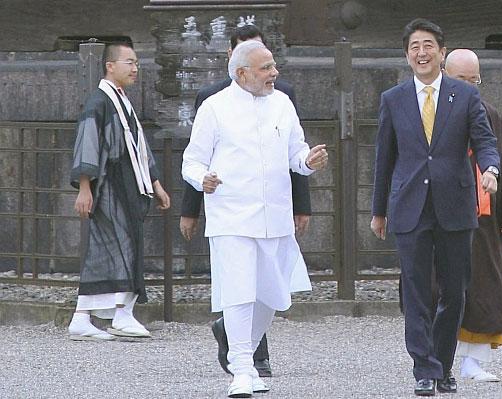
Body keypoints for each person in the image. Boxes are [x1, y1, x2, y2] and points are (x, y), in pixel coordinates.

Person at [182, 40, 328, 398]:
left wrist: (307, 162)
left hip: (274, 216)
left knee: (273, 296)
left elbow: (295, 152)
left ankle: (239, 351)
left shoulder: (282, 104)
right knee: (239, 292)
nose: (274, 73)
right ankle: (242, 370)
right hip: (232, 215)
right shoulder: (215, 108)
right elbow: (192, 161)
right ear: (242, 73)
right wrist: (202, 179)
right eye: (266, 68)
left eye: (274, 65)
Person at [371, 19, 500, 396]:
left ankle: (443, 366)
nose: (422, 53)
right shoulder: (393, 99)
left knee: (454, 291)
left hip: (456, 205)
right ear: (407, 54)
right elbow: (384, 158)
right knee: (414, 290)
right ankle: (424, 369)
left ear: (441, 53)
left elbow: (486, 141)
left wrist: (489, 169)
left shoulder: (465, 95)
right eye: (414, 46)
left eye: (428, 46)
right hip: (409, 206)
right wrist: (379, 211)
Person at [68, 42, 171, 341]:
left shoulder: (121, 101)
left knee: (111, 248)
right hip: (110, 184)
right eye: (129, 62)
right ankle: (122, 315)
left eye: (137, 62)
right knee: (122, 246)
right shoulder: (98, 102)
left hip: (128, 182)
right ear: (109, 66)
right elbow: (87, 143)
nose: (135, 68)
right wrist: (84, 188)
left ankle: (81, 317)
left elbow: (138, 148)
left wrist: (155, 183)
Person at [444, 49, 502, 382]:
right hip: (443, 216)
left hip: (483, 218)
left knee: (486, 289)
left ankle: (473, 362)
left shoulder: (489, 114)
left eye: (474, 80)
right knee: (441, 289)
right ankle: (439, 360)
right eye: (460, 80)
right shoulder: (431, 113)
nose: (468, 86)